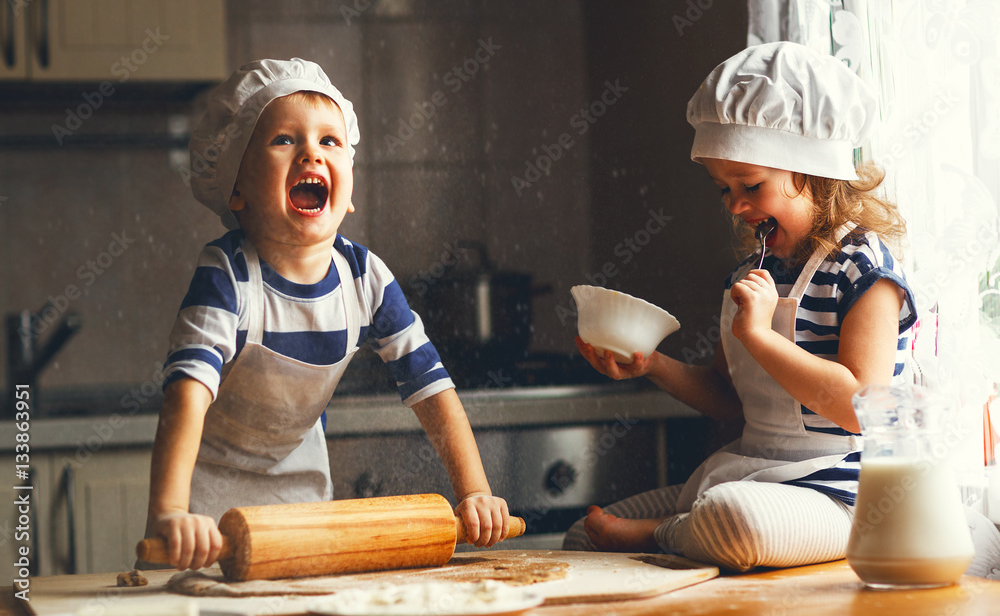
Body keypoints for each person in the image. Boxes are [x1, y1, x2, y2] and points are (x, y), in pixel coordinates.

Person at [563, 41, 918, 571]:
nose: (735, 204)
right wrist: (652, 364)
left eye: (750, 184)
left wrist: (761, 336)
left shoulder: (863, 267)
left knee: (734, 523)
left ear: (813, 171)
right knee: (580, 537)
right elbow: (730, 397)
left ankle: (661, 534)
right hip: (758, 472)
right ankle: (674, 531)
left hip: (848, 495)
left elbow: (859, 406)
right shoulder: (753, 273)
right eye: (722, 189)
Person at [143, 58, 510, 571]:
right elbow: (186, 392)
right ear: (235, 188)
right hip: (204, 505)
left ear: (350, 192)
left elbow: (432, 390)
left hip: (303, 503)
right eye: (284, 140)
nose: (311, 152)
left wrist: (474, 491)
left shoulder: (364, 278)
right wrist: (169, 512)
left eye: (329, 141)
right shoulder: (228, 275)